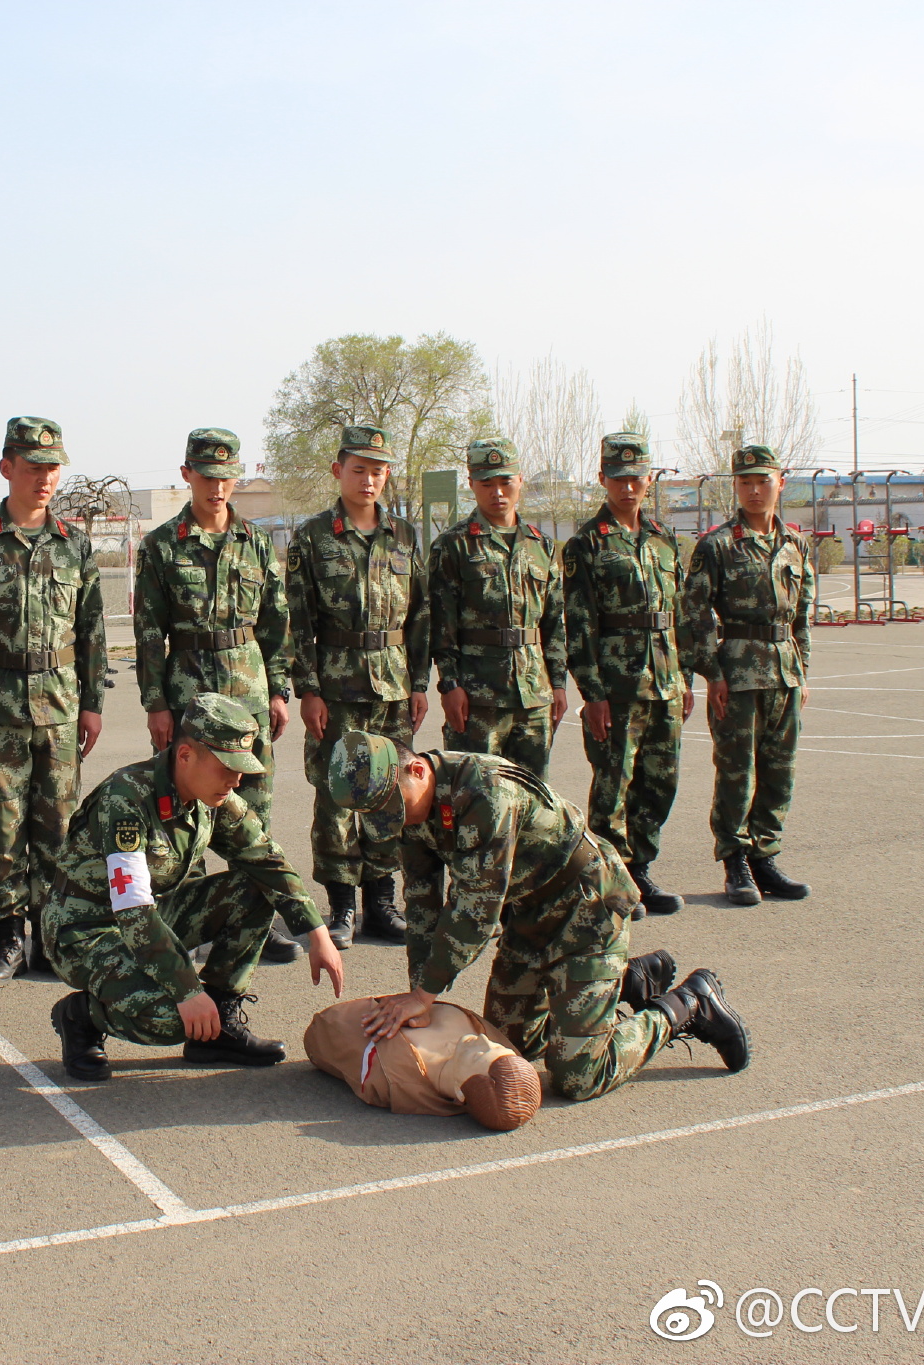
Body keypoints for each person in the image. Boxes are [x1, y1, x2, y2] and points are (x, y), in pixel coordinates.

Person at [324, 730, 751, 1102]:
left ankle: (690, 1004)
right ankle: (627, 981)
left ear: (417, 770)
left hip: (588, 910)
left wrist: (423, 996)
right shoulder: (409, 807)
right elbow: (422, 904)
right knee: (513, 1047)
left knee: (578, 1075)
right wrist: (420, 991)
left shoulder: (485, 793)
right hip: (529, 916)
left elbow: (476, 908)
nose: (393, 822)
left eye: (393, 810)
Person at [46, 695, 345, 1081]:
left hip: (149, 917)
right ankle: (82, 1017)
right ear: (185, 755)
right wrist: (187, 990)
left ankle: (217, 1030)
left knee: (254, 888)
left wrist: (315, 932)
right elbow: (132, 907)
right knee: (175, 1020)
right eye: (227, 767)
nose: (237, 779)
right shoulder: (126, 799)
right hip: (86, 931)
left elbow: (265, 859)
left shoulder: (210, 794)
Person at [0, 416, 109, 989]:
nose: (43, 479)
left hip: (60, 708)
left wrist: (93, 702)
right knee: (4, 827)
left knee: (59, 826)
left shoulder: (73, 544)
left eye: (52, 468)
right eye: (33, 467)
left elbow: (92, 630)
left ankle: (51, 935)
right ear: (7, 467)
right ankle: (9, 937)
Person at [132, 427, 300, 964]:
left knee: (253, 808)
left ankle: (258, 913)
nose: (218, 487)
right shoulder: (161, 545)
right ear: (187, 475)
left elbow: (276, 624)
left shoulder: (254, 541)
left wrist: (278, 690)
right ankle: (192, 917)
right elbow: (147, 633)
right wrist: (156, 704)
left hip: (248, 691)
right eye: (208, 476)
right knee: (185, 810)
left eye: (227, 477)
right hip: (189, 695)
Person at [285, 424, 429, 948]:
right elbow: (297, 620)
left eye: (378, 470)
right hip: (338, 685)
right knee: (337, 795)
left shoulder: (406, 537)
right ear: (338, 470)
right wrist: (308, 688)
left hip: (392, 686)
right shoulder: (315, 536)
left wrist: (419, 681)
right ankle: (341, 905)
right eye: (359, 469)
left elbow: (421, 616)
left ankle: (382, 901)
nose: (369, 480)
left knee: (391, 792)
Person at [561, 432, 696, 916]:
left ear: (650, 478)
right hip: (617, 689)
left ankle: (641, 871)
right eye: (618, 477)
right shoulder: (586, 545)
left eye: (637, 476)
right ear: (602, 480)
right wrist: (592, 694)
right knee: (613, 786)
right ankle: (610, 878)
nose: (629, 486)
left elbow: (676, 615)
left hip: (664, 682)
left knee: (660, 783)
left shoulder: (662, 540)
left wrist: (684, 680)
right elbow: (578, 625)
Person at [682, 443, 815, 905]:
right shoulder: (717, 545)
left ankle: (766, 855)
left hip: (784, 670)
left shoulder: (795, 544)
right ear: (736, 487)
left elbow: (803, 617)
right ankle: (735, 860)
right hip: (736, 670)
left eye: (763, 481)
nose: (755, 491)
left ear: (781, 482)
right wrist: (711, 673)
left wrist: (803, 671)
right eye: (745, 483)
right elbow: (696, 613)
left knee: (780, 770)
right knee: (737, 770)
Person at [428, 436, 569, 776]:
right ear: (471, 484)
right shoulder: (453, 545)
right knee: (477, 799)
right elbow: (440, 624)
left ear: (520, 480)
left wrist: (559, 683)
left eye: (506, 481)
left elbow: (553, 623)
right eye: (487, 483)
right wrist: (450, 684)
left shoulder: (541, 546)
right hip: (478, 698)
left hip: (534, 696)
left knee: (534, 801)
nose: (498, 492)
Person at [303, 998, 542, 1131]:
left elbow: (322, 1033)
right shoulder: (503, 1050)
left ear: (461, 1090)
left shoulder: (388, 1077)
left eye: (479, 1056)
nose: (483, 1040)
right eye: (497, 1047)